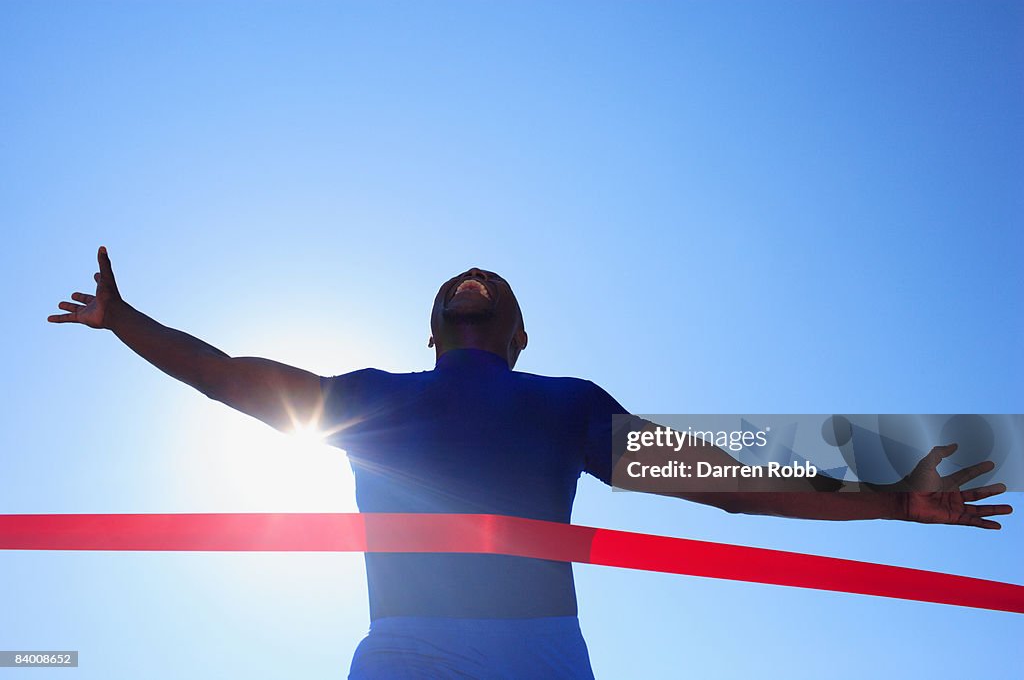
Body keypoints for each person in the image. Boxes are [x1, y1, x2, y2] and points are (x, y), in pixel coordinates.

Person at [49, 247, 1013, 679]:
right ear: (432, 326)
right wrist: (121, 319)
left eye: (490, 286)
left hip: (542, 652)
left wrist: (892, 502)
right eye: (453, 287)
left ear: (515, 330)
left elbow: (730, 485)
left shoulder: (566, 402)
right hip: (410, 648)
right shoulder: (369, 397)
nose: (470, 280)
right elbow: (225, 377)